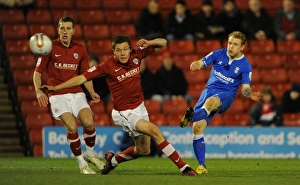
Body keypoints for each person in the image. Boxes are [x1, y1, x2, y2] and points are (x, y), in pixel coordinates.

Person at [42, 35, 198, 176]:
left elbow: (163, 43)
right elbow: (81, 78)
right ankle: (184, 168)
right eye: (118, 50)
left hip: (140, 108)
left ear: (130, 50)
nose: (123, 53)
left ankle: (113, 160)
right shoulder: (107, 65)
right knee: (155, 131)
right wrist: (56, 88)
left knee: (144, 150)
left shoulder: (137, 55)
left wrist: (149, 42)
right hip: (124, 112)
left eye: (125, 49)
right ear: (113, 51)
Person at [179, 31, 262, 174]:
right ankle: (202, 166)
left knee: (212, 102)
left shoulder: (245, 66)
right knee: (197, 129)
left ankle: (190, 117)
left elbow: (245, 88)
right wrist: (196, 64)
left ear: (242, 47)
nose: (231, 47)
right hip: (208, 91)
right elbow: (202, 61)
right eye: (230, 43)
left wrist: (250, 94)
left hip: (226, 95)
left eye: (235, 44)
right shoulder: (218, 53)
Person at [33, 16, 105, 174]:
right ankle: (82, 165)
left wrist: (91, 92)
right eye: (62, 28)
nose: (65, 31)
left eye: (68, 28)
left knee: (89, 123)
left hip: (77, 93)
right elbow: (37, 73)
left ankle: (91, 155)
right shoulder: (49, 47)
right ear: (58, 29)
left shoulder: (80, 49)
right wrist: (39, 91)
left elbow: (85, 76)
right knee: (72, 127)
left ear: (73, 31)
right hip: (57, 95)